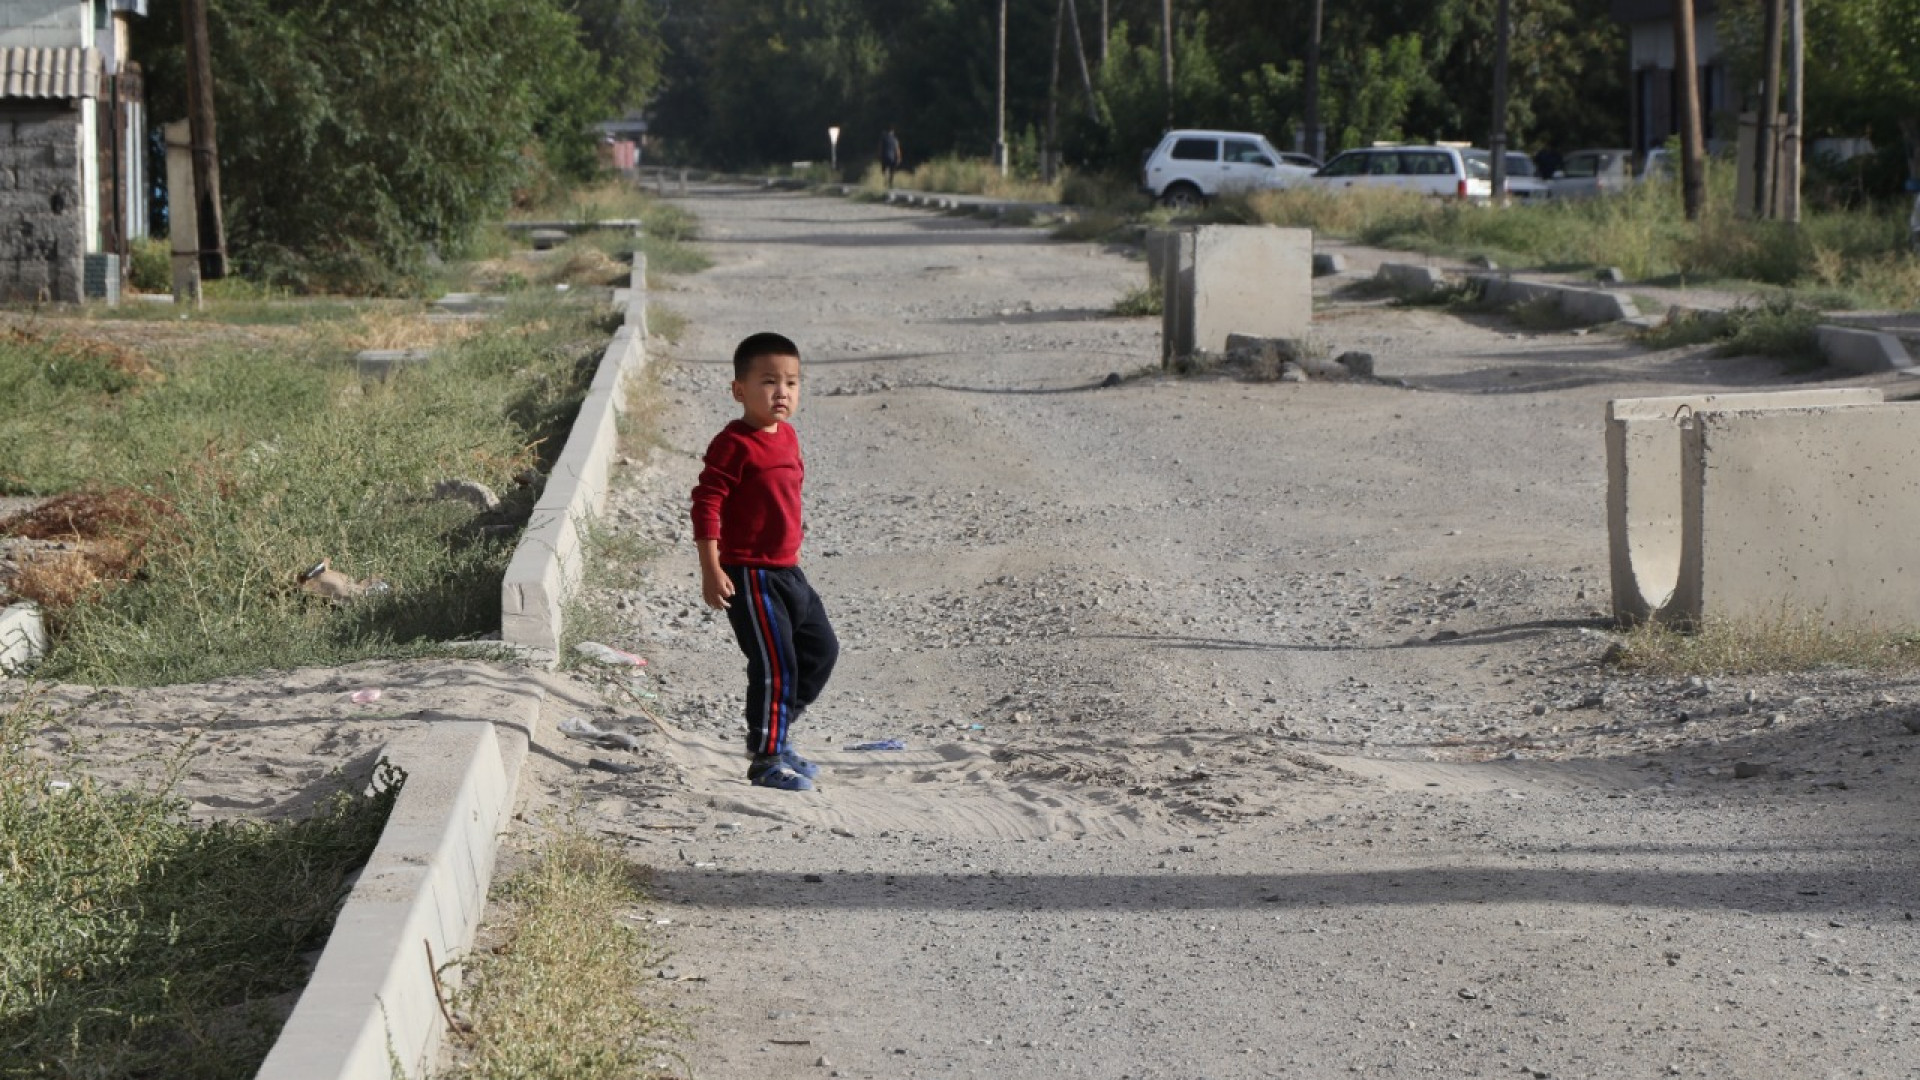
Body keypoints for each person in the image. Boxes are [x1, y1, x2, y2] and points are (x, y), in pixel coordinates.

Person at [691, 332, 839, 792]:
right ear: (739, 391)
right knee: (775, 665)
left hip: (788, 570)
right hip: (749, 574)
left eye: (792, 383)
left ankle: (775, 735)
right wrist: (711, 568)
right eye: (769, 381)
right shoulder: (733, 444)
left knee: (820, 651)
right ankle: (766, 760)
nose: (782, 393)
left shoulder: (788, 436)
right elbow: (706, 503)